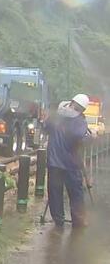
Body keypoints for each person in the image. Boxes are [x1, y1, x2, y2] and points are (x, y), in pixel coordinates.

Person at [43, 94, 92, 228]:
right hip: (71, 163)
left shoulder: (56, 114)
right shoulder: (79, 120)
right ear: (82, 109)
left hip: (54, 161)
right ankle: (78, 221)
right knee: (75, 193)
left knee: (55, 192)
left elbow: (45, 127)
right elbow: (80, 137)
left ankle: (58, 221)